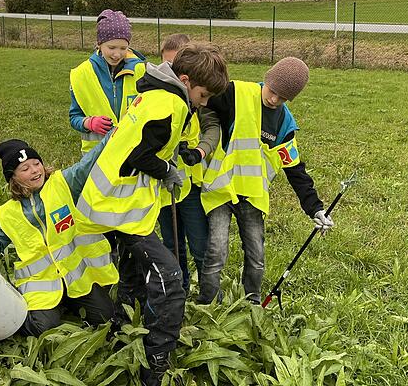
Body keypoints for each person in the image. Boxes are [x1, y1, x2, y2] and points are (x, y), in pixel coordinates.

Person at [76, 42, 229, 386]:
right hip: (117, 207)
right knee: (171, 281)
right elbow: (138, 155)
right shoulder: (170, 104)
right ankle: (154, 365)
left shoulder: (156, 92)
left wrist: (167, 162)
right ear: (187, 81)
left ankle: (122, 330)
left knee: (132, 270)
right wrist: (166, 170)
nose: (202, 103)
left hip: (115, 204)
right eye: (203, 96)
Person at [196, 57, 335, 305]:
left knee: (257, 256)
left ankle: (252, 304)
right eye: (272, 92)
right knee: (216, 252)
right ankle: (207, 304)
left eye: (282, 98)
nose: (274, 100)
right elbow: (200, 100)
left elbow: (295, 170)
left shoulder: (284, 124)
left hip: (252, 197)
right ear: (266, 79)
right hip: (220, 190)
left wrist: (315, 207)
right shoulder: (234, 93)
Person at [0, 138, 118, 336]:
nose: (34, 170)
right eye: (25, 168)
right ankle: (52, 307)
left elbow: (89, 162)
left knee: (105, 318)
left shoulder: (64, 184)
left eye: (36, 163)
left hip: (78, 278)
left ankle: (69, 301)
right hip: (42, 285)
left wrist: (113, 135)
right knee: (42, 328)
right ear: (13, 177)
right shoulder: (8, 212)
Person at [157, 34, 220, 294]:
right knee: (172, 244)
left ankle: (210, 294)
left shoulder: (199, 95)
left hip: (191, 184)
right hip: (164, 188)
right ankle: (178, 290)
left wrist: (199, 151)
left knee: (200, 243)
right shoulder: (161, 97)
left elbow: (212, 127)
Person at [69, 9, 146, 155]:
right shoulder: (81, 74)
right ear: (99, 44)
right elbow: (74, 117)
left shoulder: (140, 70)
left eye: (123, 48)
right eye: (111, 48)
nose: (117, 54)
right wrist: (89, 123)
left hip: (131, 153)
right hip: (96, 157)